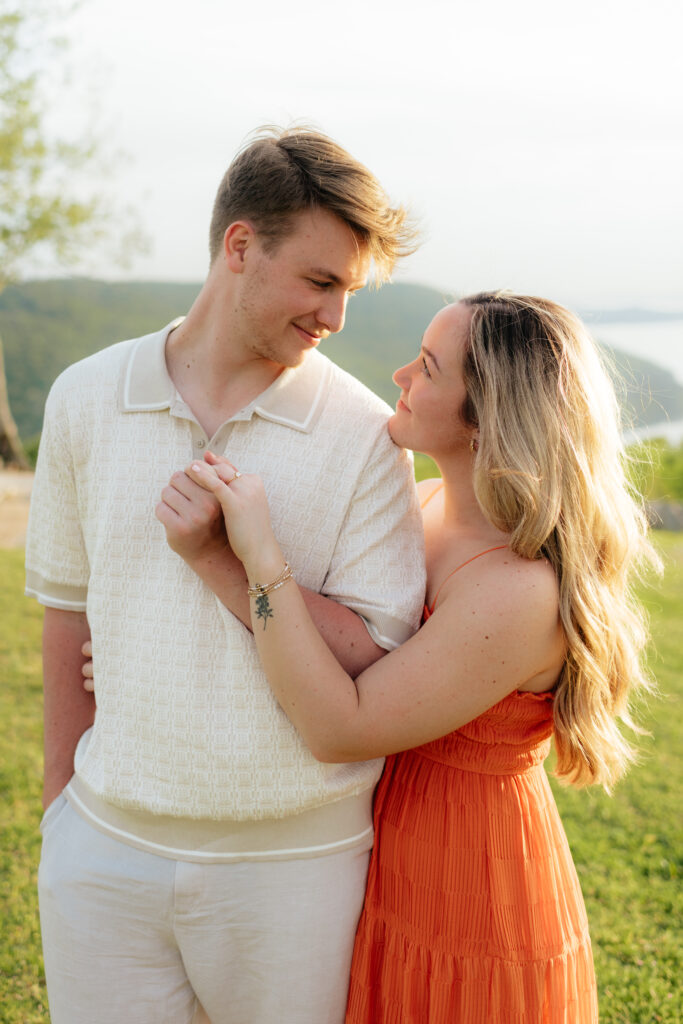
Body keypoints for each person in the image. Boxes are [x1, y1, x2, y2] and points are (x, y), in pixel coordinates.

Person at [24, 125, 427, 1024]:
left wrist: (237, 560)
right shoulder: (85, 395)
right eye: (321, 282)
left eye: (349, 292)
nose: (335, 318)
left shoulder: (364, 437)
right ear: (240, 247)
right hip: (103, 855)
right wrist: (63, 816)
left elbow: (370, 661)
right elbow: (65, 613)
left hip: (294, 874)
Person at [182, 292, 658, 1023]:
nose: (400, 373)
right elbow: (339, 648)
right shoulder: (425, 503)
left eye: (429, 367)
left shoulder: (517, 589)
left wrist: (238, 557)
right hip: (389, 851)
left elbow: (340, 721)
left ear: (487, 416)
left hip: (469, 884)